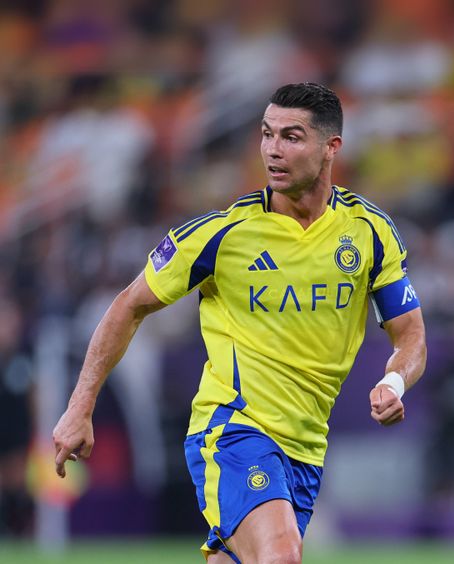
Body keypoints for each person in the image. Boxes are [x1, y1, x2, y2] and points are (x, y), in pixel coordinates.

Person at [53, 82, 426, 563]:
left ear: (331, 147)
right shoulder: (222, 234)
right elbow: (128, 305)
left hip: (306, 448)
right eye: (267, 134)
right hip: (232, 429)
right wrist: (80, 405)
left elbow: (410, 333)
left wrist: (395, 381)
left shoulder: (369, 233)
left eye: (291, 137)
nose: (273, 149)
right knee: (281, 555)